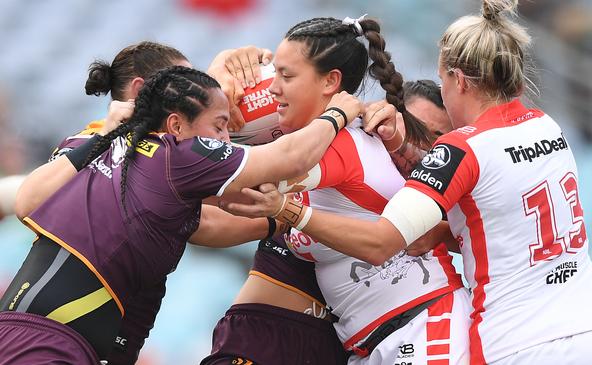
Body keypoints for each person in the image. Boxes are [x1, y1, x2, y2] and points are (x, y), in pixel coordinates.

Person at [226, 1, 592, 364]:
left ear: (459, 80)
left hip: (519, 341)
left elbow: (385, 241)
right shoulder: (549, 129)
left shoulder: (462, 149)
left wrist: (289, 209)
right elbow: (487, 218)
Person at [0, 65, 358, 364]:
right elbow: (289, 158)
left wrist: (277, 219)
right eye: (219, 126)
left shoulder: (97, 145)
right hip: (48, 342)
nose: (227, 141)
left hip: (30, 330)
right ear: (174, 125)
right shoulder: (179, 156)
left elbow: (205, 223)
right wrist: (339, 113)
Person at [203, 15, 471, 365]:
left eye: (287, 76)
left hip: (423, 327)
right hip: (372, 343)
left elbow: (221, 183)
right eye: (274, 74)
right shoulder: (320, 143)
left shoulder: (335, 145)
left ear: (331, 81)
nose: (272, 88)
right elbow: (210, 218)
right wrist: (222, 78)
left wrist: (205, 98)